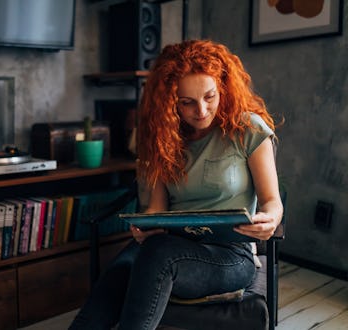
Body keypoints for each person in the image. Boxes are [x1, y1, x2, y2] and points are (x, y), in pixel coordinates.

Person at [69, 39, 284, 330]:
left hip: (229, 254)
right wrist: (147, 226)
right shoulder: (162, 139)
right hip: (168, 244)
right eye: (187, 102)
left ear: (223, 87)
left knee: (158, 254)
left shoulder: (248, 129)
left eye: (210, 96)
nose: (202, 110)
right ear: (171, 102)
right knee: (121, 270)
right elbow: (157, 210)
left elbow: (272, 201)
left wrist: (270, 219)